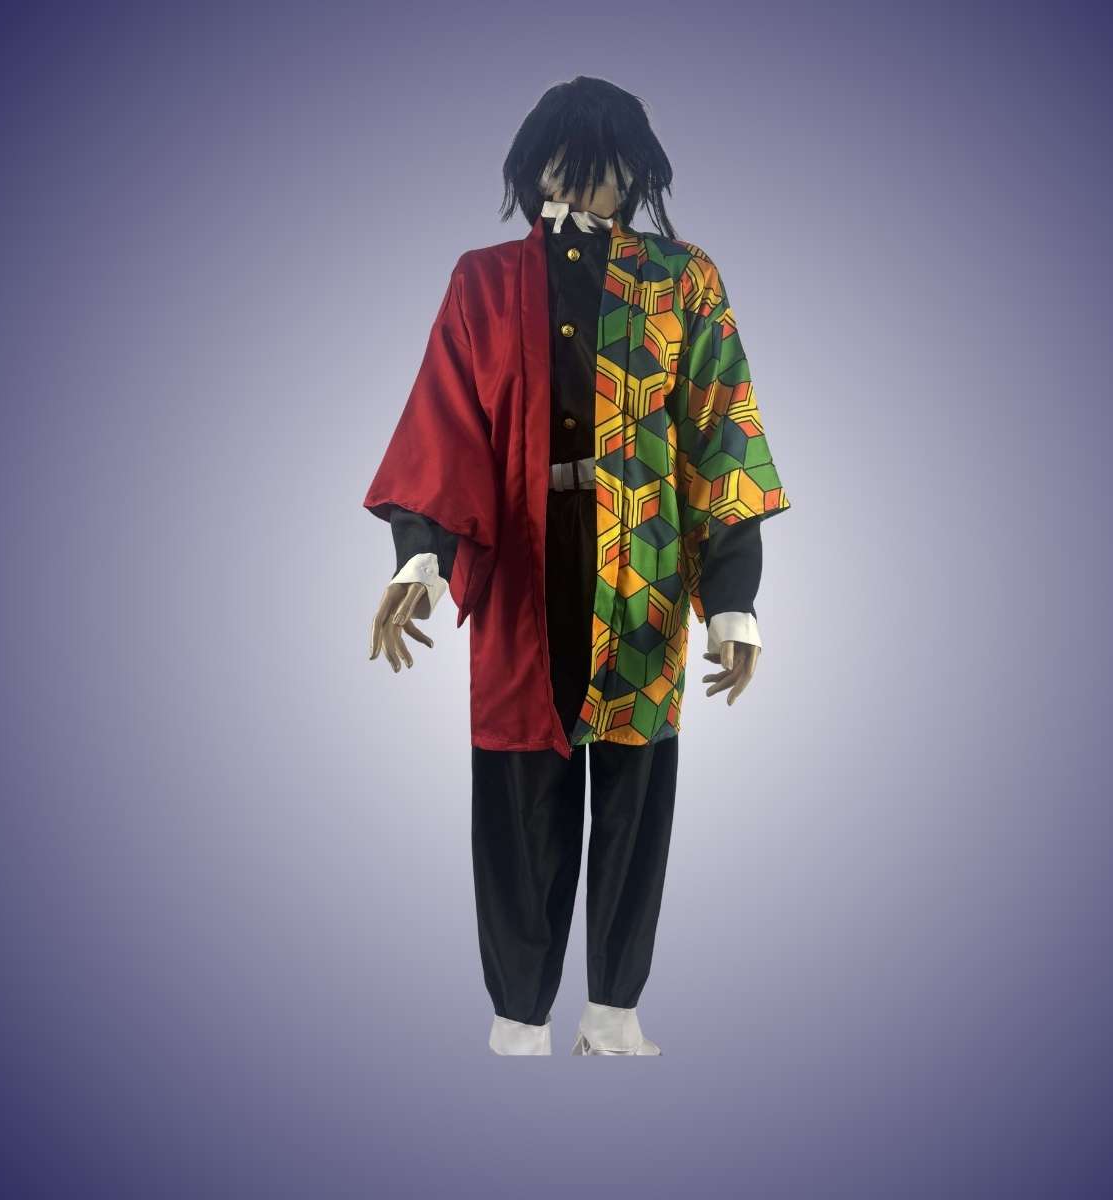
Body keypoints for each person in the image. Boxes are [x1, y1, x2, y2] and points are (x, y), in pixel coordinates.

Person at [364, 76, 791, 1055]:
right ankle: (519, 1015)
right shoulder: (481, 281)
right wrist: (419, 556)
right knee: (520, 787)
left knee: (636, 788)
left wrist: (734, 602)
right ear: (535, 168)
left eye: (601, 166)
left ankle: (613, 1010)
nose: (581, 183)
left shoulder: (683, 279)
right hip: (524, 568)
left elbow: (722, 434)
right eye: (563, 163)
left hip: (644, 567)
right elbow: (444, 425)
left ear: (633, 174)